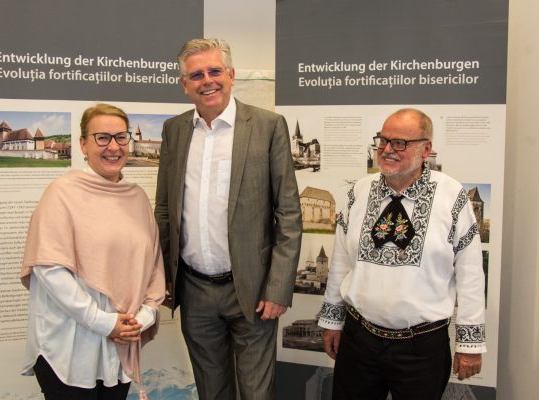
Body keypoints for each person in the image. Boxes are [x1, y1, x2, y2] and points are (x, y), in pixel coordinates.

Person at [154, 38, 302, 399]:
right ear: (184, 84)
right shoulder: (174, 130)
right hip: (195, 291)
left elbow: (288, 213)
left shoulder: (268, 126)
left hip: (253, 291)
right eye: (196, 75)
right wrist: (163, 277)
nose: (207, 81)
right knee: (211, 392)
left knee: (256, 393)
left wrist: (278, 288)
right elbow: (165, 209)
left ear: (231, 75)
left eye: (215, 71)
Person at [318, 108, 486, 400]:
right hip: (358, 342)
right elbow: (341, 260)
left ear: (426, 149)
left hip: (421, 349)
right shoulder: (359, 191)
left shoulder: (452, 196)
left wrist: (469, 344)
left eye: (399, 143)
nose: (387, 150)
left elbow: (470, 273)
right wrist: (332, 320)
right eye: (383, 140)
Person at [20, 103, 165, 399]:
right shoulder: (61, 194)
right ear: (83, 144)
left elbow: (154, 266)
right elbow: (49, 269)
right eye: (102, 138)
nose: (113, 146)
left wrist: (144, 317)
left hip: (120, 346)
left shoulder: (137, 198)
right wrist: (103, 322)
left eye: (121, 137)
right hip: (70, 349)